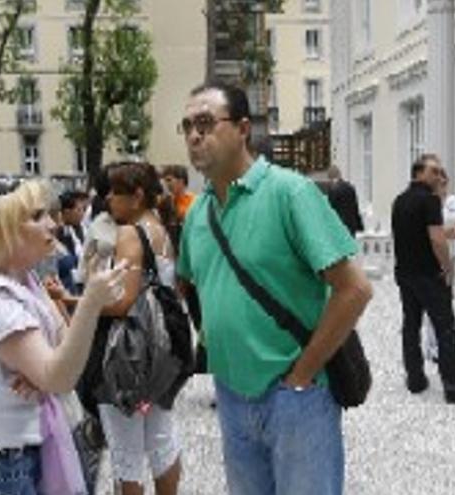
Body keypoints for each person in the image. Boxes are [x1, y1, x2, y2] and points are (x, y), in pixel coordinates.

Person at [176, 82, 372, 495]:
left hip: (295, 397)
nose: (195, 135)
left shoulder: (290, 193)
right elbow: (190, 286)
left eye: (207, 123)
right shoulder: (198, 213)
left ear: (243, 128)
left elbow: (354, 290)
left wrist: (301, 376)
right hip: (230, 394)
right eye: (188, 126)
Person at [0, 179, 127, 495]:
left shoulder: (26, 285)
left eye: (48, 214)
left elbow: (63, 357)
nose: (51, 224)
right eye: (36, 217)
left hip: (13, 461)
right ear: (3, 232)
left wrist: (43, 374)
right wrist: (90, 305)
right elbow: (60, 376)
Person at [96, 161, 184, 495]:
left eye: (115, 192)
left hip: (128, 352)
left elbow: (122, 301)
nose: (107, 198)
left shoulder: (129, 233)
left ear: (136, 196)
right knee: (161, 438)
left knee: (126, 453)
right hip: (161, 349)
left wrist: (81, 303)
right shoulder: (161, 229)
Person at [392, 153, 455, 404]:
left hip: (405, 273)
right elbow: (436, 238)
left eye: (440, 171)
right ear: (419, 172)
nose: (439, 176)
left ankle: (415, 379)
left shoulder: (399, 200)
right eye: (434, 171)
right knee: (445, 328)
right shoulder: (429, 200)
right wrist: (448, 266)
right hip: (428, 275)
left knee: (411, 325)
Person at [421, 168, 455, 363]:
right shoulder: (426, 203)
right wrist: (448, 231)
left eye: (444, 182)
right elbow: (427, 233)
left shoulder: (453, 202)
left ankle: (445, 340)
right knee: (433, 301)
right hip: (428, 258)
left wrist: (448, 232)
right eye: (438, 182)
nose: (442, 186)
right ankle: (433, 347)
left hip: (449, 256)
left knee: (447, 298)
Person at [57, 190, 90, 294]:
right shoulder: (59, 233)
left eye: (83, 210)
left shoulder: (81, 228)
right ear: (67, 212)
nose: (83, 214)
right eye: (79, 210)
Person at [323, 166, 364, 235]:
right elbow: (355, 207)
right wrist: (359, 225)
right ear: (339, 175)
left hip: (339, 225)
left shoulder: (333, 190)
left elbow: (331, 209)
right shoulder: (350, 187)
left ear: (330, 177)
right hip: (351, 225)